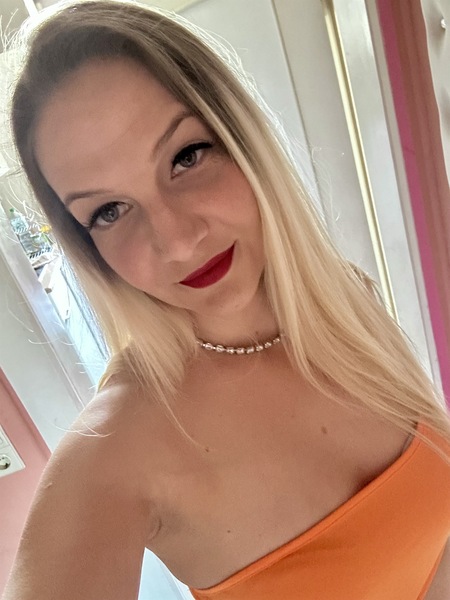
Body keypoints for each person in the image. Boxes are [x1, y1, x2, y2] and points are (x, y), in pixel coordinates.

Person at [2, 1, 450, 598]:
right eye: (109, 210)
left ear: (242, 137)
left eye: (186, 157)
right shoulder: (112, 454)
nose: (176, 240)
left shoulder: (347, 304)